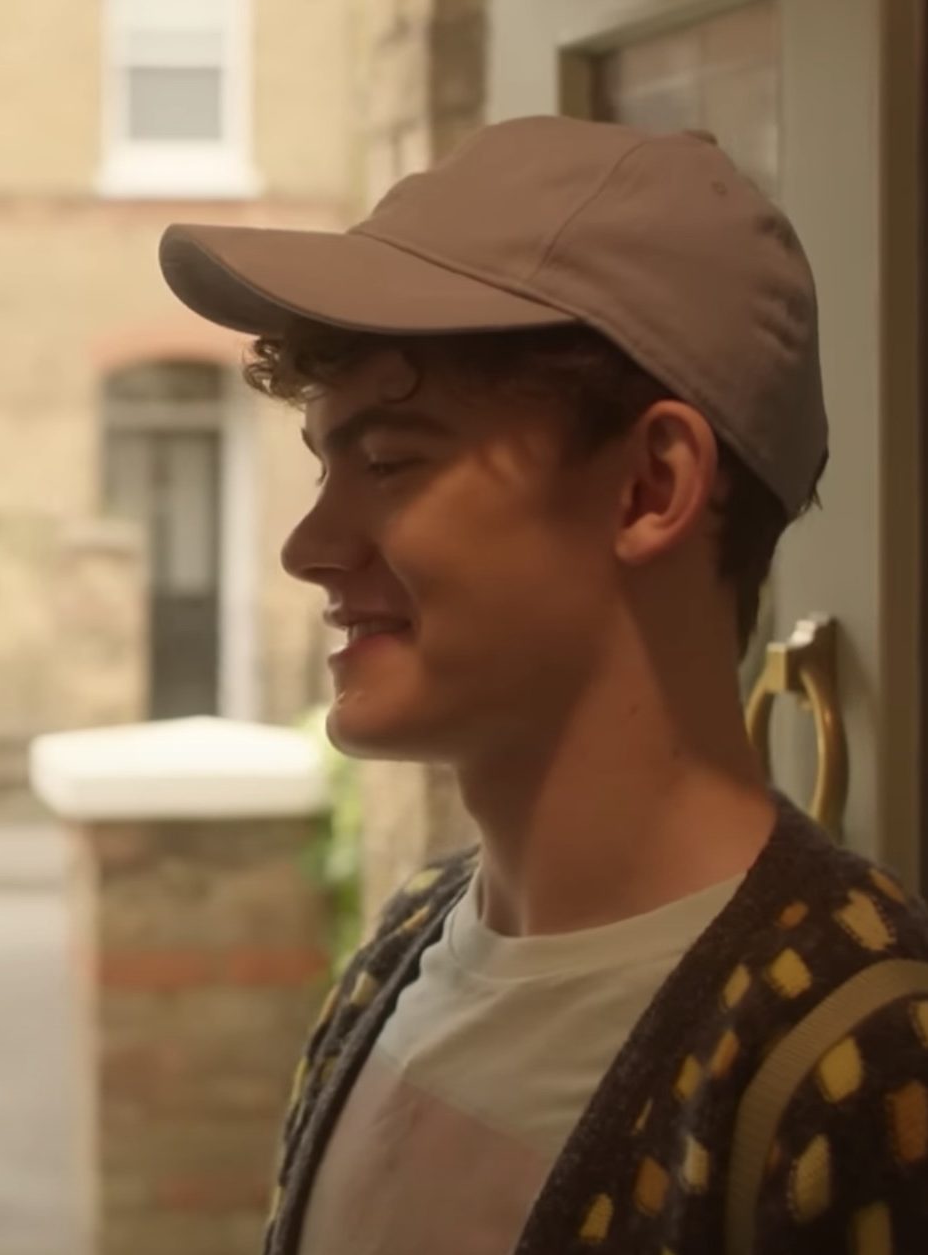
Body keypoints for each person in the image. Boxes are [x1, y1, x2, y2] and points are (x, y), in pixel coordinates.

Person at [158, 115, 928, 1255]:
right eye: (326, 462)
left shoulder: (860, 1057)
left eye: (387, 461)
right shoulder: (406, 946)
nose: (308, 544)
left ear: (649, 487)